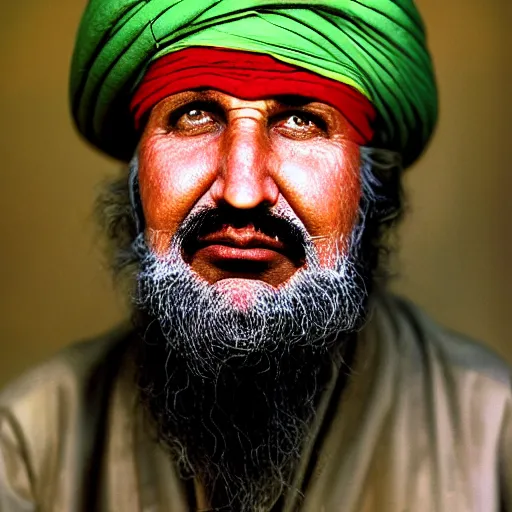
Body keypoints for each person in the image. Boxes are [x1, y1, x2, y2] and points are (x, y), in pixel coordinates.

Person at [0, 1, 510, 511]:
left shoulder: (495, 438)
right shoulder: (28, 450)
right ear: (138, 179)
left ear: (369, 185)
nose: (242, 190)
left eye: (301, 121)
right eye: (194, 116)